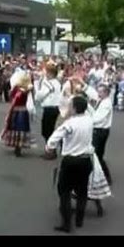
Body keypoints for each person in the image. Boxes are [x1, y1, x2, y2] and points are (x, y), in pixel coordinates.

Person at [45, 95, 94, 233]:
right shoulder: (89, 120)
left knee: (64, 191)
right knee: (82, 190)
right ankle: (79, 218)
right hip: (85, 160)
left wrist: (49, 147)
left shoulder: (69, 124)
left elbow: (54, 137)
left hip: (71, 160)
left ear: (74, 108)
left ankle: (66, 223)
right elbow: (89, 109)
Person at [82, 83, 114, 185]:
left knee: (96, 155)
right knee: (97, 155)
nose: (98, 94)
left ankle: (103, 177)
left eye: (100, 92)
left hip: (100, 131)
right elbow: (92, 94)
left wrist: (86, 119)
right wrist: (83, 85)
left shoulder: (106, 104)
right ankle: (102, 177)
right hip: (99, 130)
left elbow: (98, 118)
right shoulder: (102, 100)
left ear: (106, 93)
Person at [0, 71, 34, 157]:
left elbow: (11, 97)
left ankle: (15, 144)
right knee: (21, 128)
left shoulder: (16, 89)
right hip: (23, 110)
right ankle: (19, 145)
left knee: (15, 127)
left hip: (15, 110)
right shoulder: (26, 89)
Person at [35, 63, 61, 159]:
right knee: (50, 130)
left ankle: (50, 151)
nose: (44, 73)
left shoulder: (48, 83)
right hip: (56, 108)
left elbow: (39, 96)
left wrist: (37, 83)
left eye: (45, 71)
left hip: (50, 108)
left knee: (47, 131)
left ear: (50, 73)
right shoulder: (57, 83)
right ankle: (50, 150)